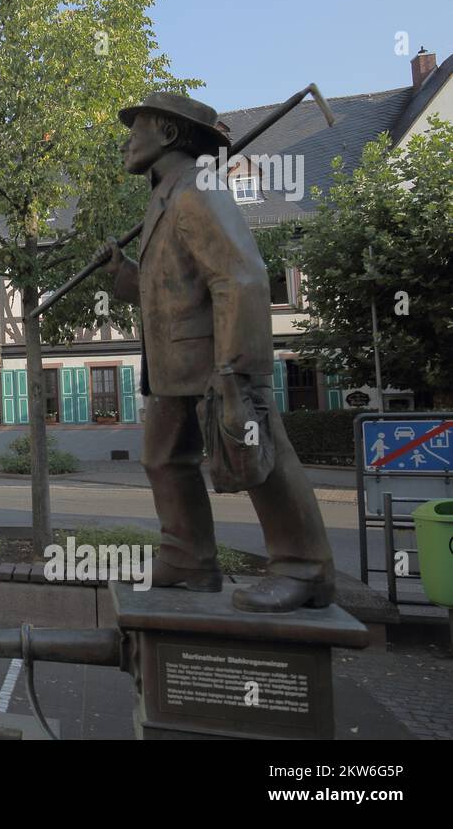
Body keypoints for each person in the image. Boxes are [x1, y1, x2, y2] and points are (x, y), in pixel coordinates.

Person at [102, 92, 335, 613]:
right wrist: (122, 273)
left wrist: (234, 372)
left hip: (215, 360)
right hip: (171, 364)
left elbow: (242, 278)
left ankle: (304, 567)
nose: (126, 140)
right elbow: (167, 288)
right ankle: (187, 557)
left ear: (166, 134)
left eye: (134, 128)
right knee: (163, 459)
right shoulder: (167, 196)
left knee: (261, 459)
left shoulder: (199, 192)